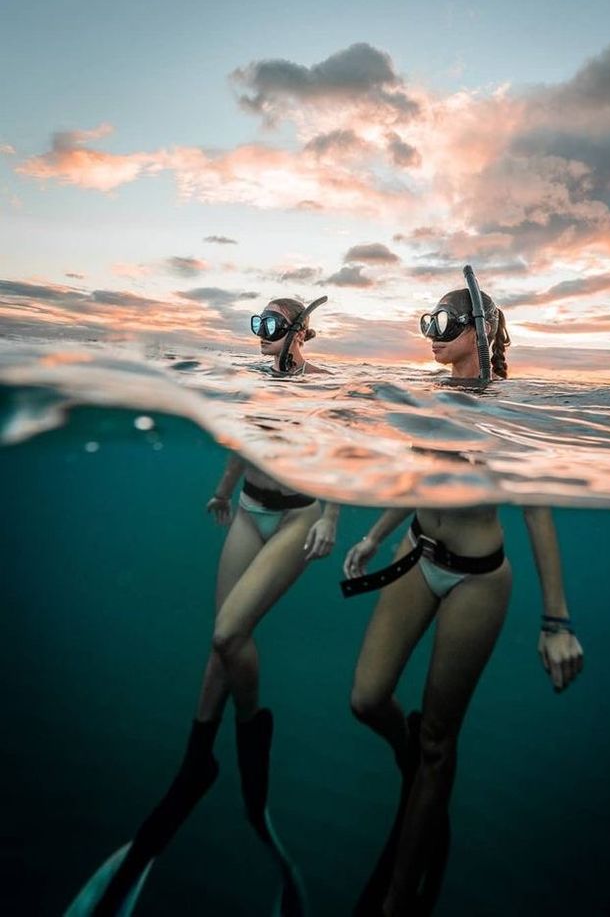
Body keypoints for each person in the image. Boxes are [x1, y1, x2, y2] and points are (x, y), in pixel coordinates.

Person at [68, 298, 339, 916]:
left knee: (227, 634)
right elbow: (241, 442)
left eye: (272, 325)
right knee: (218, 647)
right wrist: (222, 491)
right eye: (256, 323)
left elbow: (335, 455)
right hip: (250, 507)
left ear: (296, 331)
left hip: (298, 516)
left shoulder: (320, 385)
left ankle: (249, 736)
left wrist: (330, 514)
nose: (260, 335)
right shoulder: (254, 380)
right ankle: (198, 759)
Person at [342, 281, 584, 916]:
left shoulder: (507, 408)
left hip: (478, 579)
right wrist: (370, 536)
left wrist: (556, 620)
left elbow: (536, 509)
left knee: (440, 745)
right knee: (367, 699)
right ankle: (413, 758)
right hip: (416, 555)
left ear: (480, 330)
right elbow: (416, 480)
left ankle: (400, 897)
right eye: (429, 318)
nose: (433, 329)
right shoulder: (431, 394)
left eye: (446, 319)